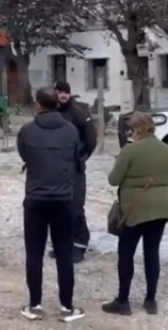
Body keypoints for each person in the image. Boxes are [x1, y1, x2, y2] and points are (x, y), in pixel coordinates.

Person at [17, 86, 85, 323]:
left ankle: (35, 304)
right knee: (65, 253)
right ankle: (67, 306)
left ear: (38, 104)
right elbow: (77, 156)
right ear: (58, 102)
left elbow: (24, 155)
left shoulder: (27, 130)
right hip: (64, 198)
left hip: (35, 198)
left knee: (34, 253)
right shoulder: (71, 131)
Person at [103, 111, 168, 316]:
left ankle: (123, 300)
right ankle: (150, 300)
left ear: (135, 130)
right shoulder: (166, 149)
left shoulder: (130, 150)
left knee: (126, 253)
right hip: (162, 206)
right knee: (152, 252)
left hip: (135, 208)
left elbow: (113, 179)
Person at [52, 81, 96, 263]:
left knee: (75, 207)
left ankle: (79, 245)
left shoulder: (79, 114)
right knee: (58, 208)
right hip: (55, 170)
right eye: (58, 92)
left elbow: (91, 141)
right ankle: (62, 245)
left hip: (74, 170)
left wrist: (81, 159)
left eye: (65, 92)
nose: (62, 95)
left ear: (69, 94)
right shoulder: (52, 113)